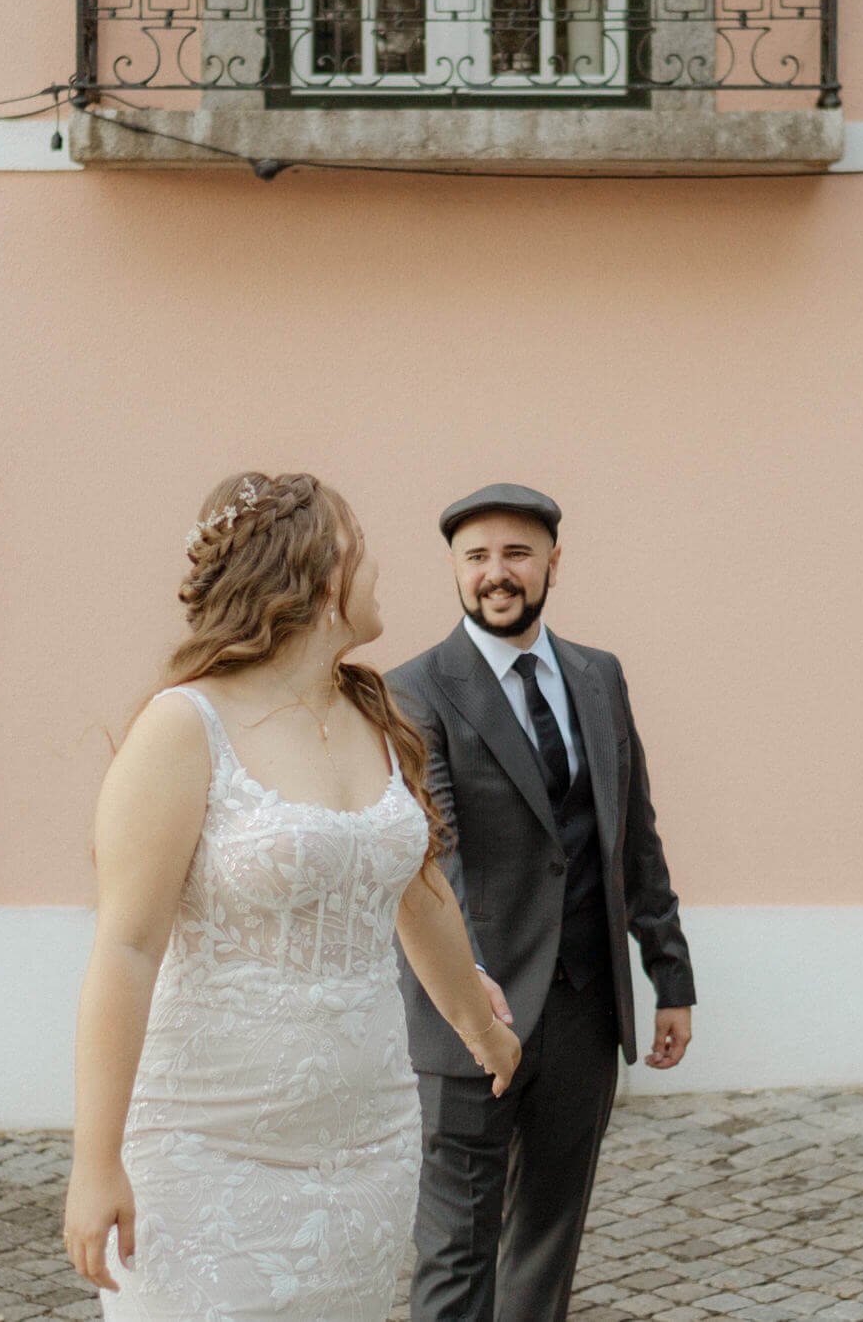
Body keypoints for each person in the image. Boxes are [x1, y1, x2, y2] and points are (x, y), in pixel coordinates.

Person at [61, 471, 523, 1321]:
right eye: (362, 546)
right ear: (319, 574)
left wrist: (479, 1025)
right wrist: (96, 1162)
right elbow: (125, 951)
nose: (381, 565)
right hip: (208, 1150)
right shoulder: (183, 726)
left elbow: (416, 893)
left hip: (366, 1149)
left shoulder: (377, 714)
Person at [392, 483, 698, 1322]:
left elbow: (633, 830)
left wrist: (669, 972)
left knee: (547, 1242)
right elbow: (434, 855)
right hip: (467, 1012)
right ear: (454, 570)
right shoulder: (414, 689)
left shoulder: (599, 675)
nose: (498, 573)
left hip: (582, 1010)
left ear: (553, 563)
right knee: (456, 1247)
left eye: (517, 553)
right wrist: (472, 989)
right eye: (478, 556)